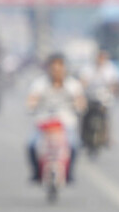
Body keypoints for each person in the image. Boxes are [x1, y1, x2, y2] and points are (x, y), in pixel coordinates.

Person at [25, 53, 85, 183]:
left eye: (60, 67)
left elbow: (80, 101)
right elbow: (32, 99)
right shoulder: (39, 84)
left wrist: (79, 106)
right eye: (53, 67)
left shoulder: (73, 85)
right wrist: (31, 106)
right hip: (44, 123)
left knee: (74, 145)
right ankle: (36, 173)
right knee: (31, 145)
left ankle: (69, 173)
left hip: (65, 124)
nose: (56, 71)